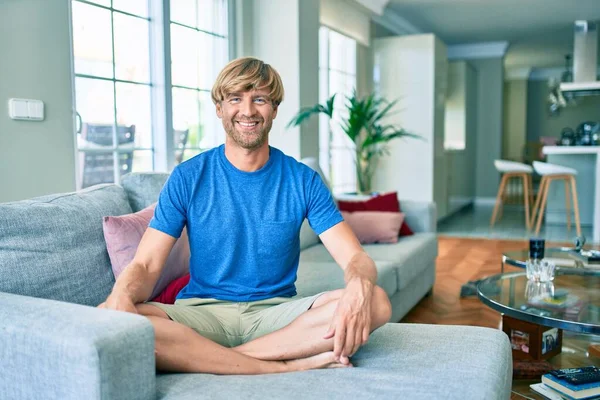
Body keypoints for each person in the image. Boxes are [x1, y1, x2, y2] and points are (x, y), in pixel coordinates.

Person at [99, 57, 392, 375]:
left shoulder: (303, 180)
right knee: (110, 316)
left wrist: (359, 287)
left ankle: (216, 359)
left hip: (277, 316)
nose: (248, 111)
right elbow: (146, 265)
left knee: (375, 302)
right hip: (200, 313)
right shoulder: (187, 177)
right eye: (235, 99)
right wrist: (121, 296)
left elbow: (354, 258)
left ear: (274, 109)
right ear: (219, 108)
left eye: (260, 99)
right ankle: (279, 366)